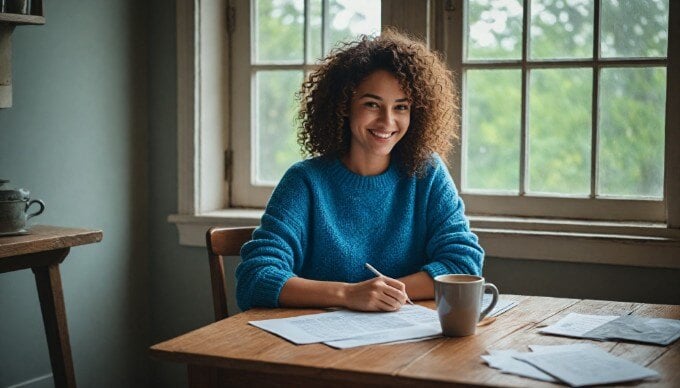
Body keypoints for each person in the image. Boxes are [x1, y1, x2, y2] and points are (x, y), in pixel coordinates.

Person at [236, 29, 484, 312]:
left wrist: (382, 294)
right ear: (344, 106)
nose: (387, 121)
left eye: (401, 107)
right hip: (315, 346)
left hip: (405, 341)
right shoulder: (305, 182)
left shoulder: (426, 173)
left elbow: (462, 264)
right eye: (372, 104)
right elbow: (256, 278)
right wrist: (348, 294)